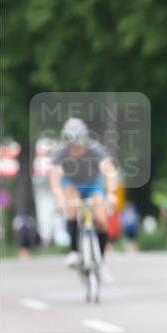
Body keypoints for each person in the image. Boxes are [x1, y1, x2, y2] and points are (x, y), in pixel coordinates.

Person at [47, 118, 119, 281]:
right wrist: (60, 199)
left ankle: (101, 262)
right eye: (70, 146)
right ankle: (73, 251)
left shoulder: (95, 149)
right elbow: (54, 178)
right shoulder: (61, 152)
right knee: (72, 208)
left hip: (93, 184)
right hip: (72, 184)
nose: (74, 150)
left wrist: (111, 193)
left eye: (77, 146)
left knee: (101, 220)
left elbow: (110, 171)